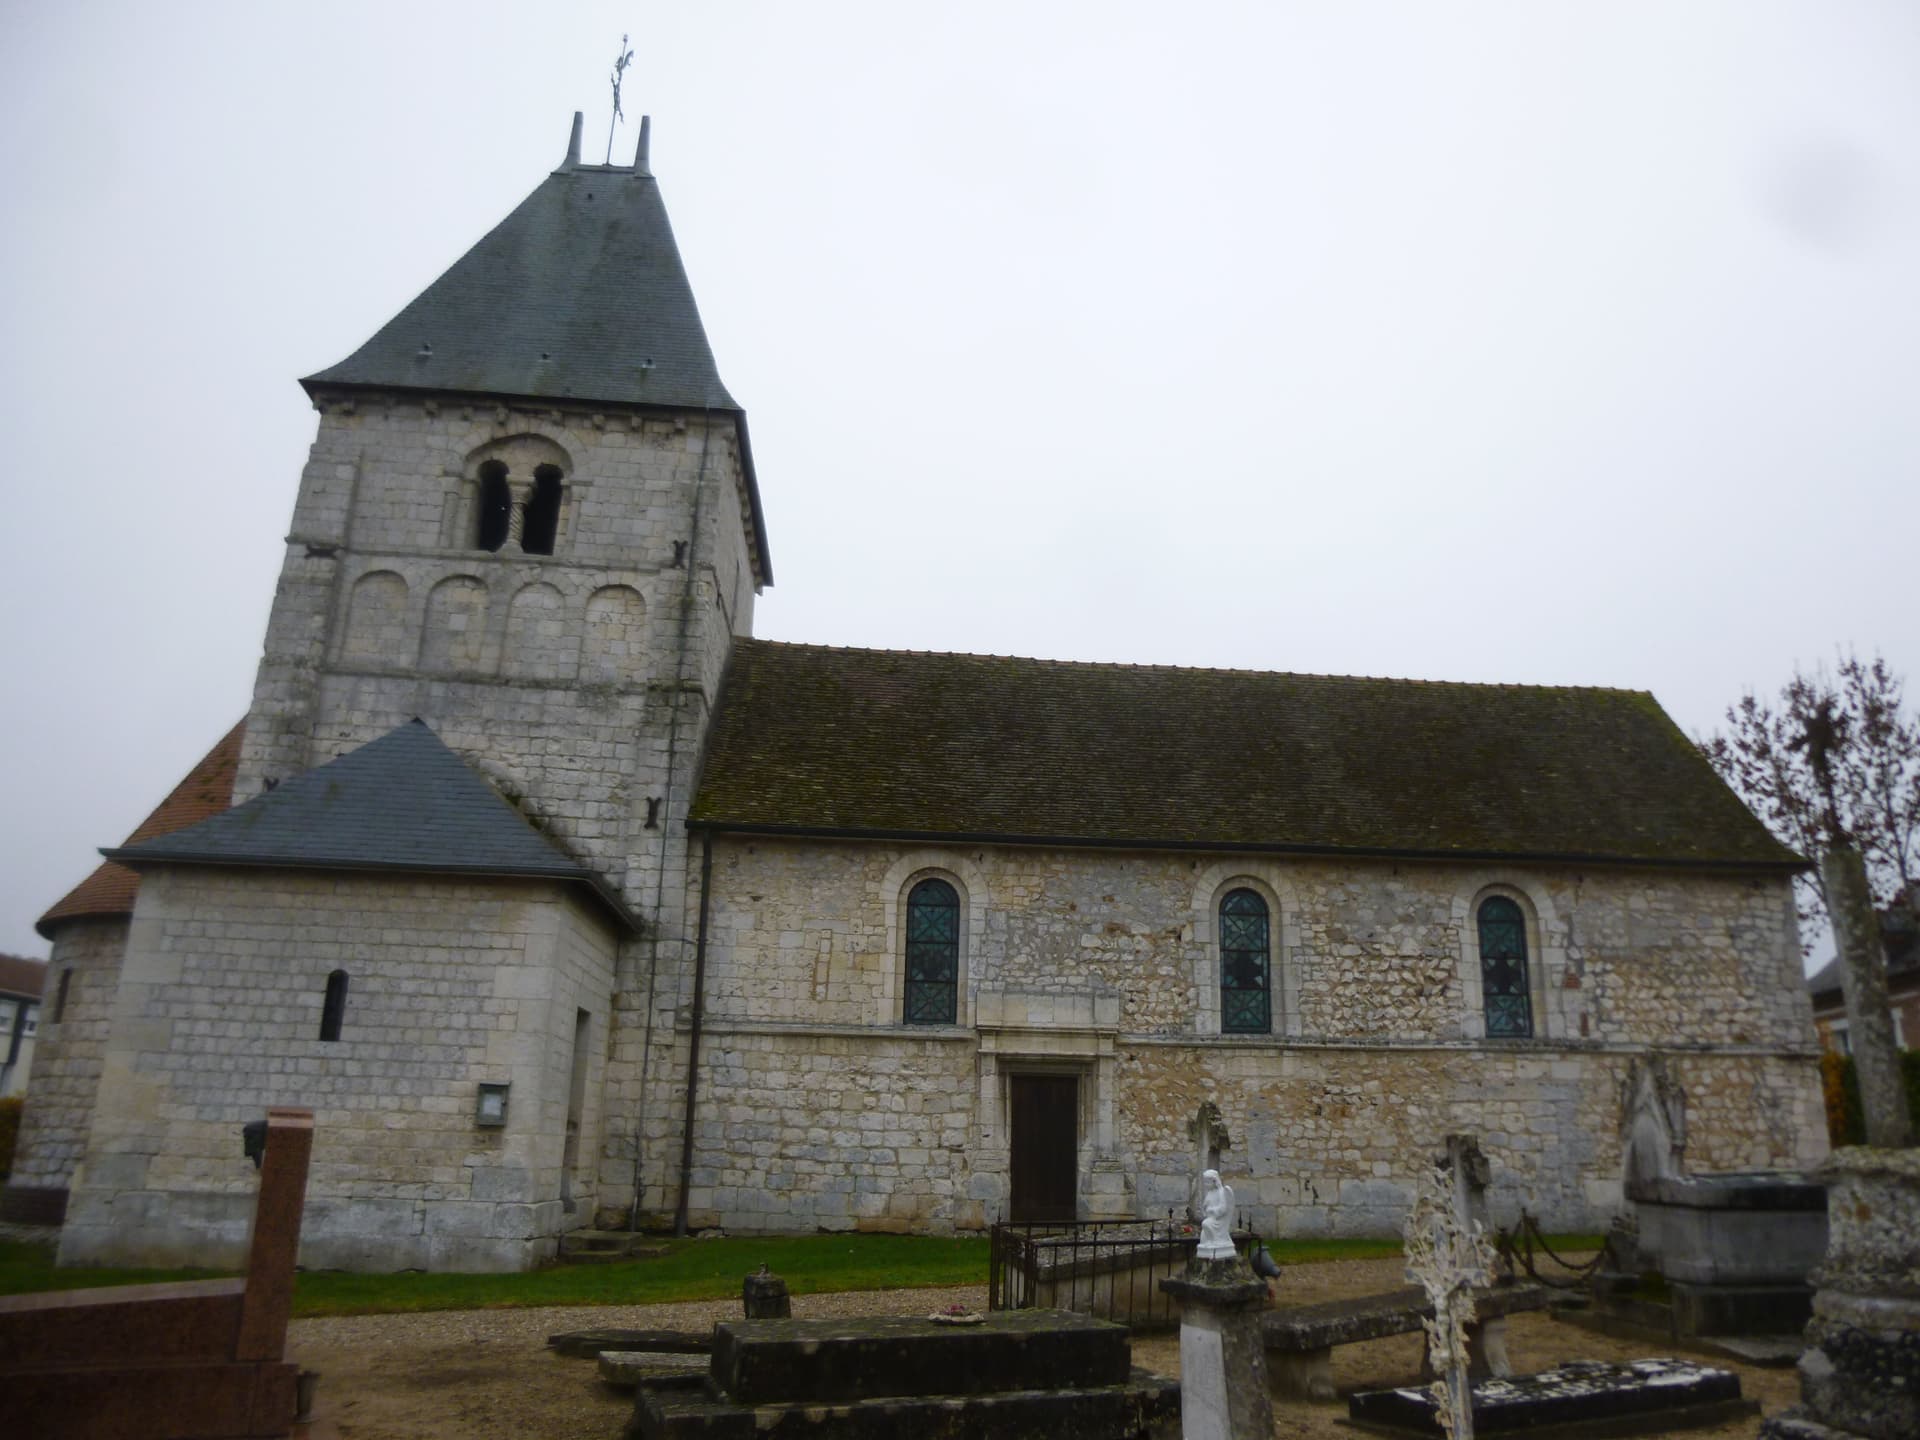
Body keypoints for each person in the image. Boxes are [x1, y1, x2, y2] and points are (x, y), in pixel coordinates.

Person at [1197, 1168, 1236, 1259]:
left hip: (1218, 1222)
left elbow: (1223, 1209)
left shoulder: (1221, 1192)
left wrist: (1212, 1210)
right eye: (1205, 1182)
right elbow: (1205, 1206)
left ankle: (1217, 1241)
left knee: (1206, 1223)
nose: (1206, 1185)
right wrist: (1204, 1208)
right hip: (1211, 1219)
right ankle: (1213, 1241)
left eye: (1208, 1182)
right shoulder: (1210, 1193)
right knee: (1203, 1236)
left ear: (1214, 1181)